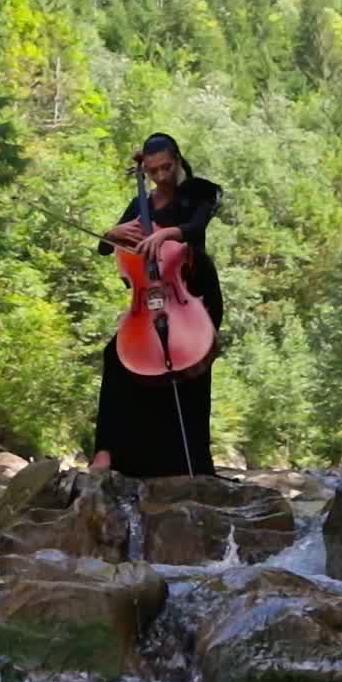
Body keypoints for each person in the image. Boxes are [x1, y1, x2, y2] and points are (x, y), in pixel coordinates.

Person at [89, 132, 223, 478]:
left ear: (177, 160)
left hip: (192, 291)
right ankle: (108, 453)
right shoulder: (141, 205)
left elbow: (195, 228)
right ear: (145, 171)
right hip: (149, 298)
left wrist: (165, 233)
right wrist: (111, 234)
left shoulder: (198, 192)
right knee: (116, 357)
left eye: (167, 167)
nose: (162, 176)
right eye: (154, 171)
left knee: (189, 371)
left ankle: (192, 463)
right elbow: (107, 248)